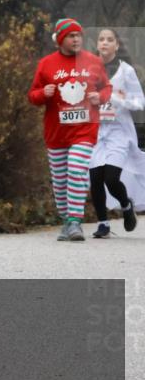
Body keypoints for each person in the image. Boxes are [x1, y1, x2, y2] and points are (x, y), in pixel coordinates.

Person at [27, 19, 111, 242]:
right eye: (71, 36)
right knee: (61, 181)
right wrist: (43, 93)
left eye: (78, 35)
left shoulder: (93, 61)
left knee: (76, 168)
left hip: (85, 129)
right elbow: (32, 96)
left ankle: (75, 222)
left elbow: (107, 87)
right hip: (56, 133)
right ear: (60, 39)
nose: (76, 39)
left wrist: (100, 97)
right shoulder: (46, 64)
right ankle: (66, 221)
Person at [89, 28, 143, 237]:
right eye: (101, 39)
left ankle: (126, 206)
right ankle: (103, 224)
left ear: (117, 46)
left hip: (119, 131)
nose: (105, 43)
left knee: (111, 178)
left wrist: (117, 99)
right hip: (96, 130)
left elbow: (139, 102)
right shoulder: (89, 69)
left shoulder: (126, 70)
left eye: (109, 39)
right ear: (97, 45)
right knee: (95, 178)